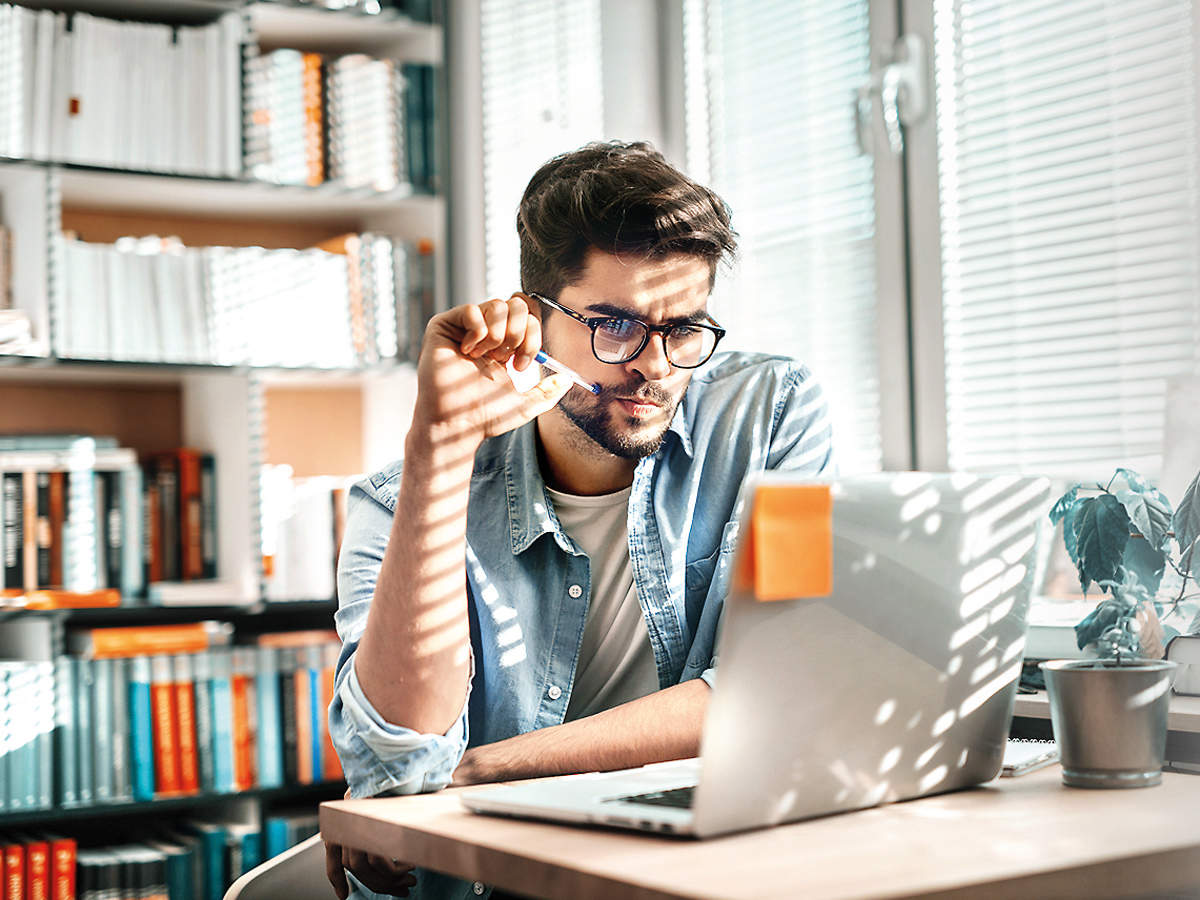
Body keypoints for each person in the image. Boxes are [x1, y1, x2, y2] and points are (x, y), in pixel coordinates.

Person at [324, 141, 834, 899]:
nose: (657, 367)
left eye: (685, 326)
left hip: (696, 868)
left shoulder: (771, 413)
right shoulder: (397, 500)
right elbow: (397, 766)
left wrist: (482, 770)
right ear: (532, 322)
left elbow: (773, 688)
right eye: (615, 325)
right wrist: (440, 445)